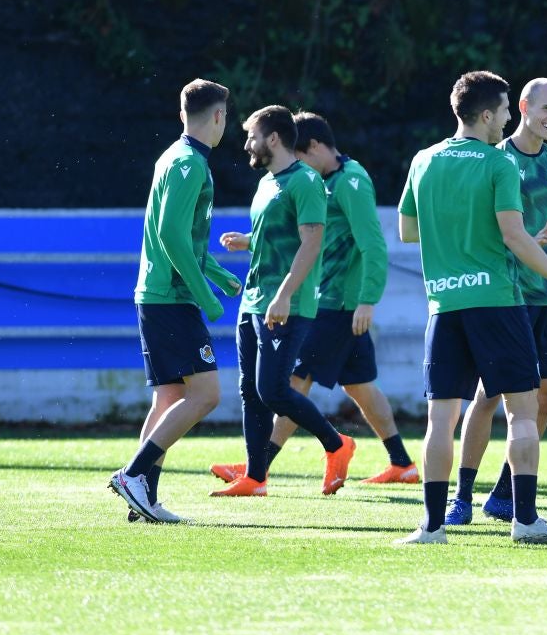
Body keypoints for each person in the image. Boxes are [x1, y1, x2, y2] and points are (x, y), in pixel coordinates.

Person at [394, 70, 547, 546]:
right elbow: (513, 236)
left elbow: (407, 231)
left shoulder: (424, 160)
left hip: (444, 304)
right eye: (506, 110)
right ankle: (524, 520)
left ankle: (431, 526)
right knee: (522, 413)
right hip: (497, 302)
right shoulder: (498, 164)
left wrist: (458, 234)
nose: (508, 118)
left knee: (440, 419)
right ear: (487, 115)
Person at [209, 112, 417, 487]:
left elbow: (372, 244)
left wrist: (368, 300)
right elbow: (298, 233)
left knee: (293, 381)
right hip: (328, 297)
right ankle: (402, 462)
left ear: (316, 147)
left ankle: (259, 466)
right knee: (360, 385)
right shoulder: (318, 181)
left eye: (301, 155)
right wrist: (251, 241)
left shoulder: (350, 181)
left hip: (336, 302)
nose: (297, 163)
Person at [445, 78, 547, 526]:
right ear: (522, 107)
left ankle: (505, 493)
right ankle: (461, 496)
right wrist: (524, 240)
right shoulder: (496, 158)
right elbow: (491, 229)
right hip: (509, 295)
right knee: (489, 393)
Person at [109, 79, 242, 523]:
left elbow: (183, 238)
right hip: (172, 297)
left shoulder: (174, 155)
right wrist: (206, 296)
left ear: (182, 113)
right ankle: (133, 474)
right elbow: (170, 235)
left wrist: (218, 274)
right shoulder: (189, 163)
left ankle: (142, 497)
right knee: (206, 395)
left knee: (169, 397)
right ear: (219, 116)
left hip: (157, 293)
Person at [211, 105, 357, 498]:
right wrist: (249, 241)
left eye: (252, 137)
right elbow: (281, 236)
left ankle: (337, 444)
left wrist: (284, 295)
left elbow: (312, 243)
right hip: (253, 300)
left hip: (285, 303)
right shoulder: (267, 183)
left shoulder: (305, 181)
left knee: (273, 391)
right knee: (250, 390)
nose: (247, 144)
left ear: (273, 138)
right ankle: (255, 478)